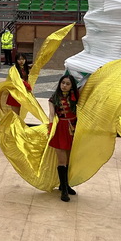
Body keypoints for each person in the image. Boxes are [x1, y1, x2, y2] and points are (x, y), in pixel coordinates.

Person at [48, 74, 79, 202]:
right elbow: (51, 114)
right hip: (60, 129)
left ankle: (64, 185)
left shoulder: (76, 97)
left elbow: (89, 86)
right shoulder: (53, 98)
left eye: (67, 84)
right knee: (62, 160)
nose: (64, 86)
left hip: (73, 129)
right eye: (63, 83)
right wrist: (50, 127)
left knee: (68, 160)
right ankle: (64, 190)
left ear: (72, 86)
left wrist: (97, 74)